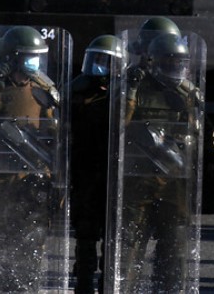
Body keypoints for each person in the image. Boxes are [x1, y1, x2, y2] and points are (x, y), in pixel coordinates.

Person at [0, 25, 62, 292]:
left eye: (37, 56)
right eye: (29, 56)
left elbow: (54, 133)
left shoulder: (43, 87)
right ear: (13, 57)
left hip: (31, 178)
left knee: (30, 240)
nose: (34, 62)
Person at [115, 32, 203, 291]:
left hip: (174, 180)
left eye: (180, 62)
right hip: (137, 178)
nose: (176, 67)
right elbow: (120, 123)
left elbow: (197, 135)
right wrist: (130, 90)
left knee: (175, 249)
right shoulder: (136, 88)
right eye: (170, 61)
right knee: (129, 247)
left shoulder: (188, 93)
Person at [70, 35, 123, 293]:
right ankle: (83, 283)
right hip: (85, 170)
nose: (101, 67)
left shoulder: (125, 93)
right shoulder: (77, 90)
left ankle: (107, 284)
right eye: (97, 60)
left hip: (113, 173)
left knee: (113, 234)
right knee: (85, 232)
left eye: (107, 62)